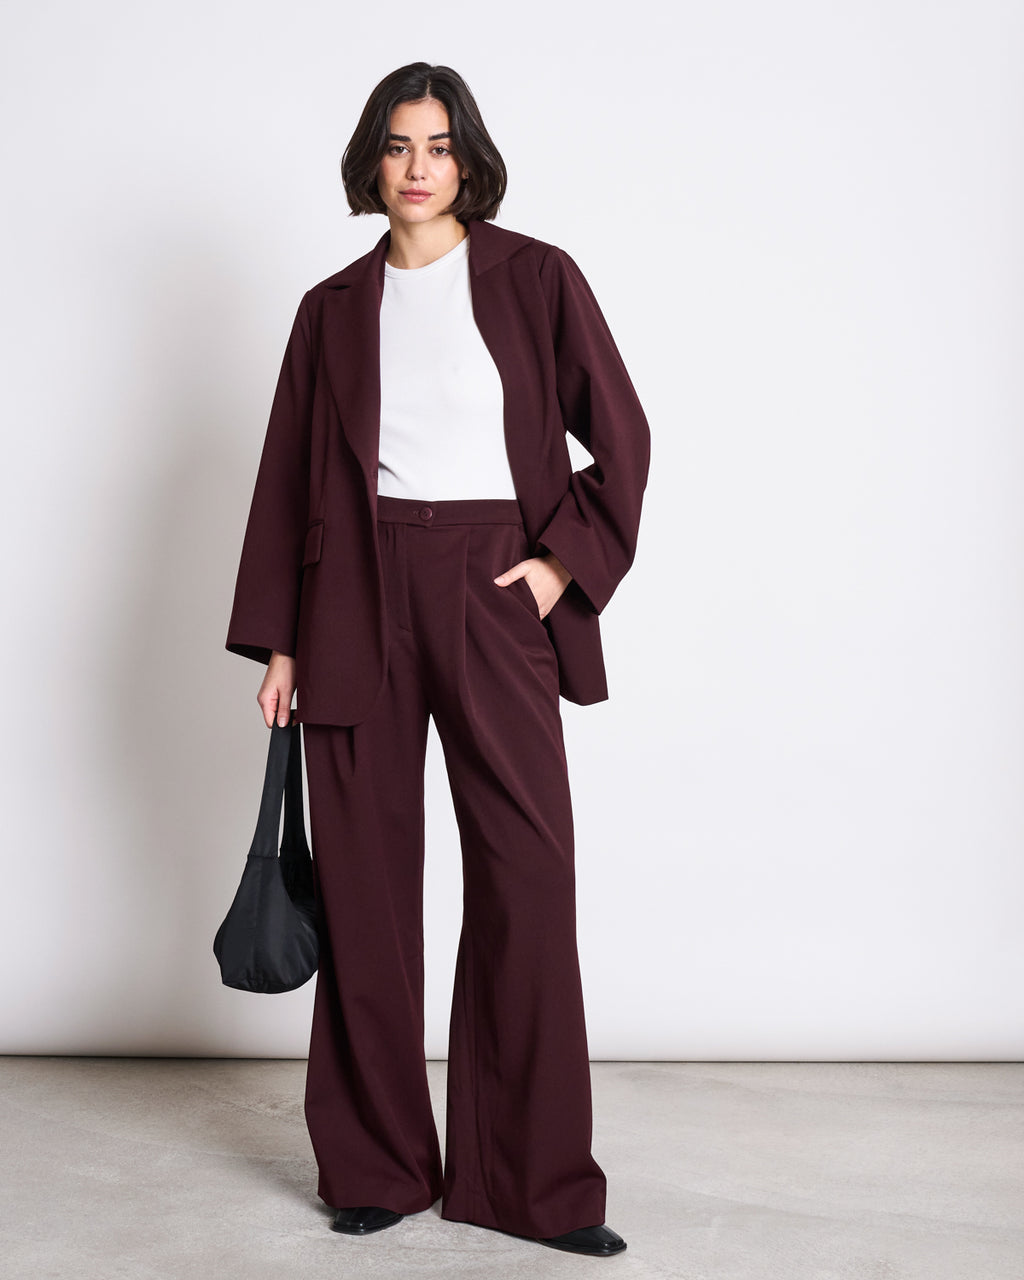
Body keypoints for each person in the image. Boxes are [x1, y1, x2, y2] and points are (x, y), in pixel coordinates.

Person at [224, 62, 651, 1259]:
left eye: (440, 145)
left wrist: (562, 564)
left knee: (526, 871)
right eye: (400, 145)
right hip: (354, 588)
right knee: (364, 884)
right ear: (373, 160)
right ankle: (376, 1165)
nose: (419, 167)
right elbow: (286, 481)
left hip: (491, 583)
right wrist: (281, 639)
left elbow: (618, 431)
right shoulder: (330, 309)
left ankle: (531, 1182)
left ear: (469, 161)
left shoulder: (533, 278)